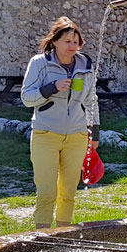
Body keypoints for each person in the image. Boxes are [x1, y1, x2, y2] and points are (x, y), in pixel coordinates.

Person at [21, 16, 100, 228]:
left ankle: (63, 237)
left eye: (76, 42)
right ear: (54, 41)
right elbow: (27, 98)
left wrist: (95, 133)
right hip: (45, 134)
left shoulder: (85, 65)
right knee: (47, 191)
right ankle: (43, 237)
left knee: (68, 193)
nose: (72, 46)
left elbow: (92, 100)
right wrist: (51, 88)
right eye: (67, 41)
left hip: (77, 135)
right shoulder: (39, 63)